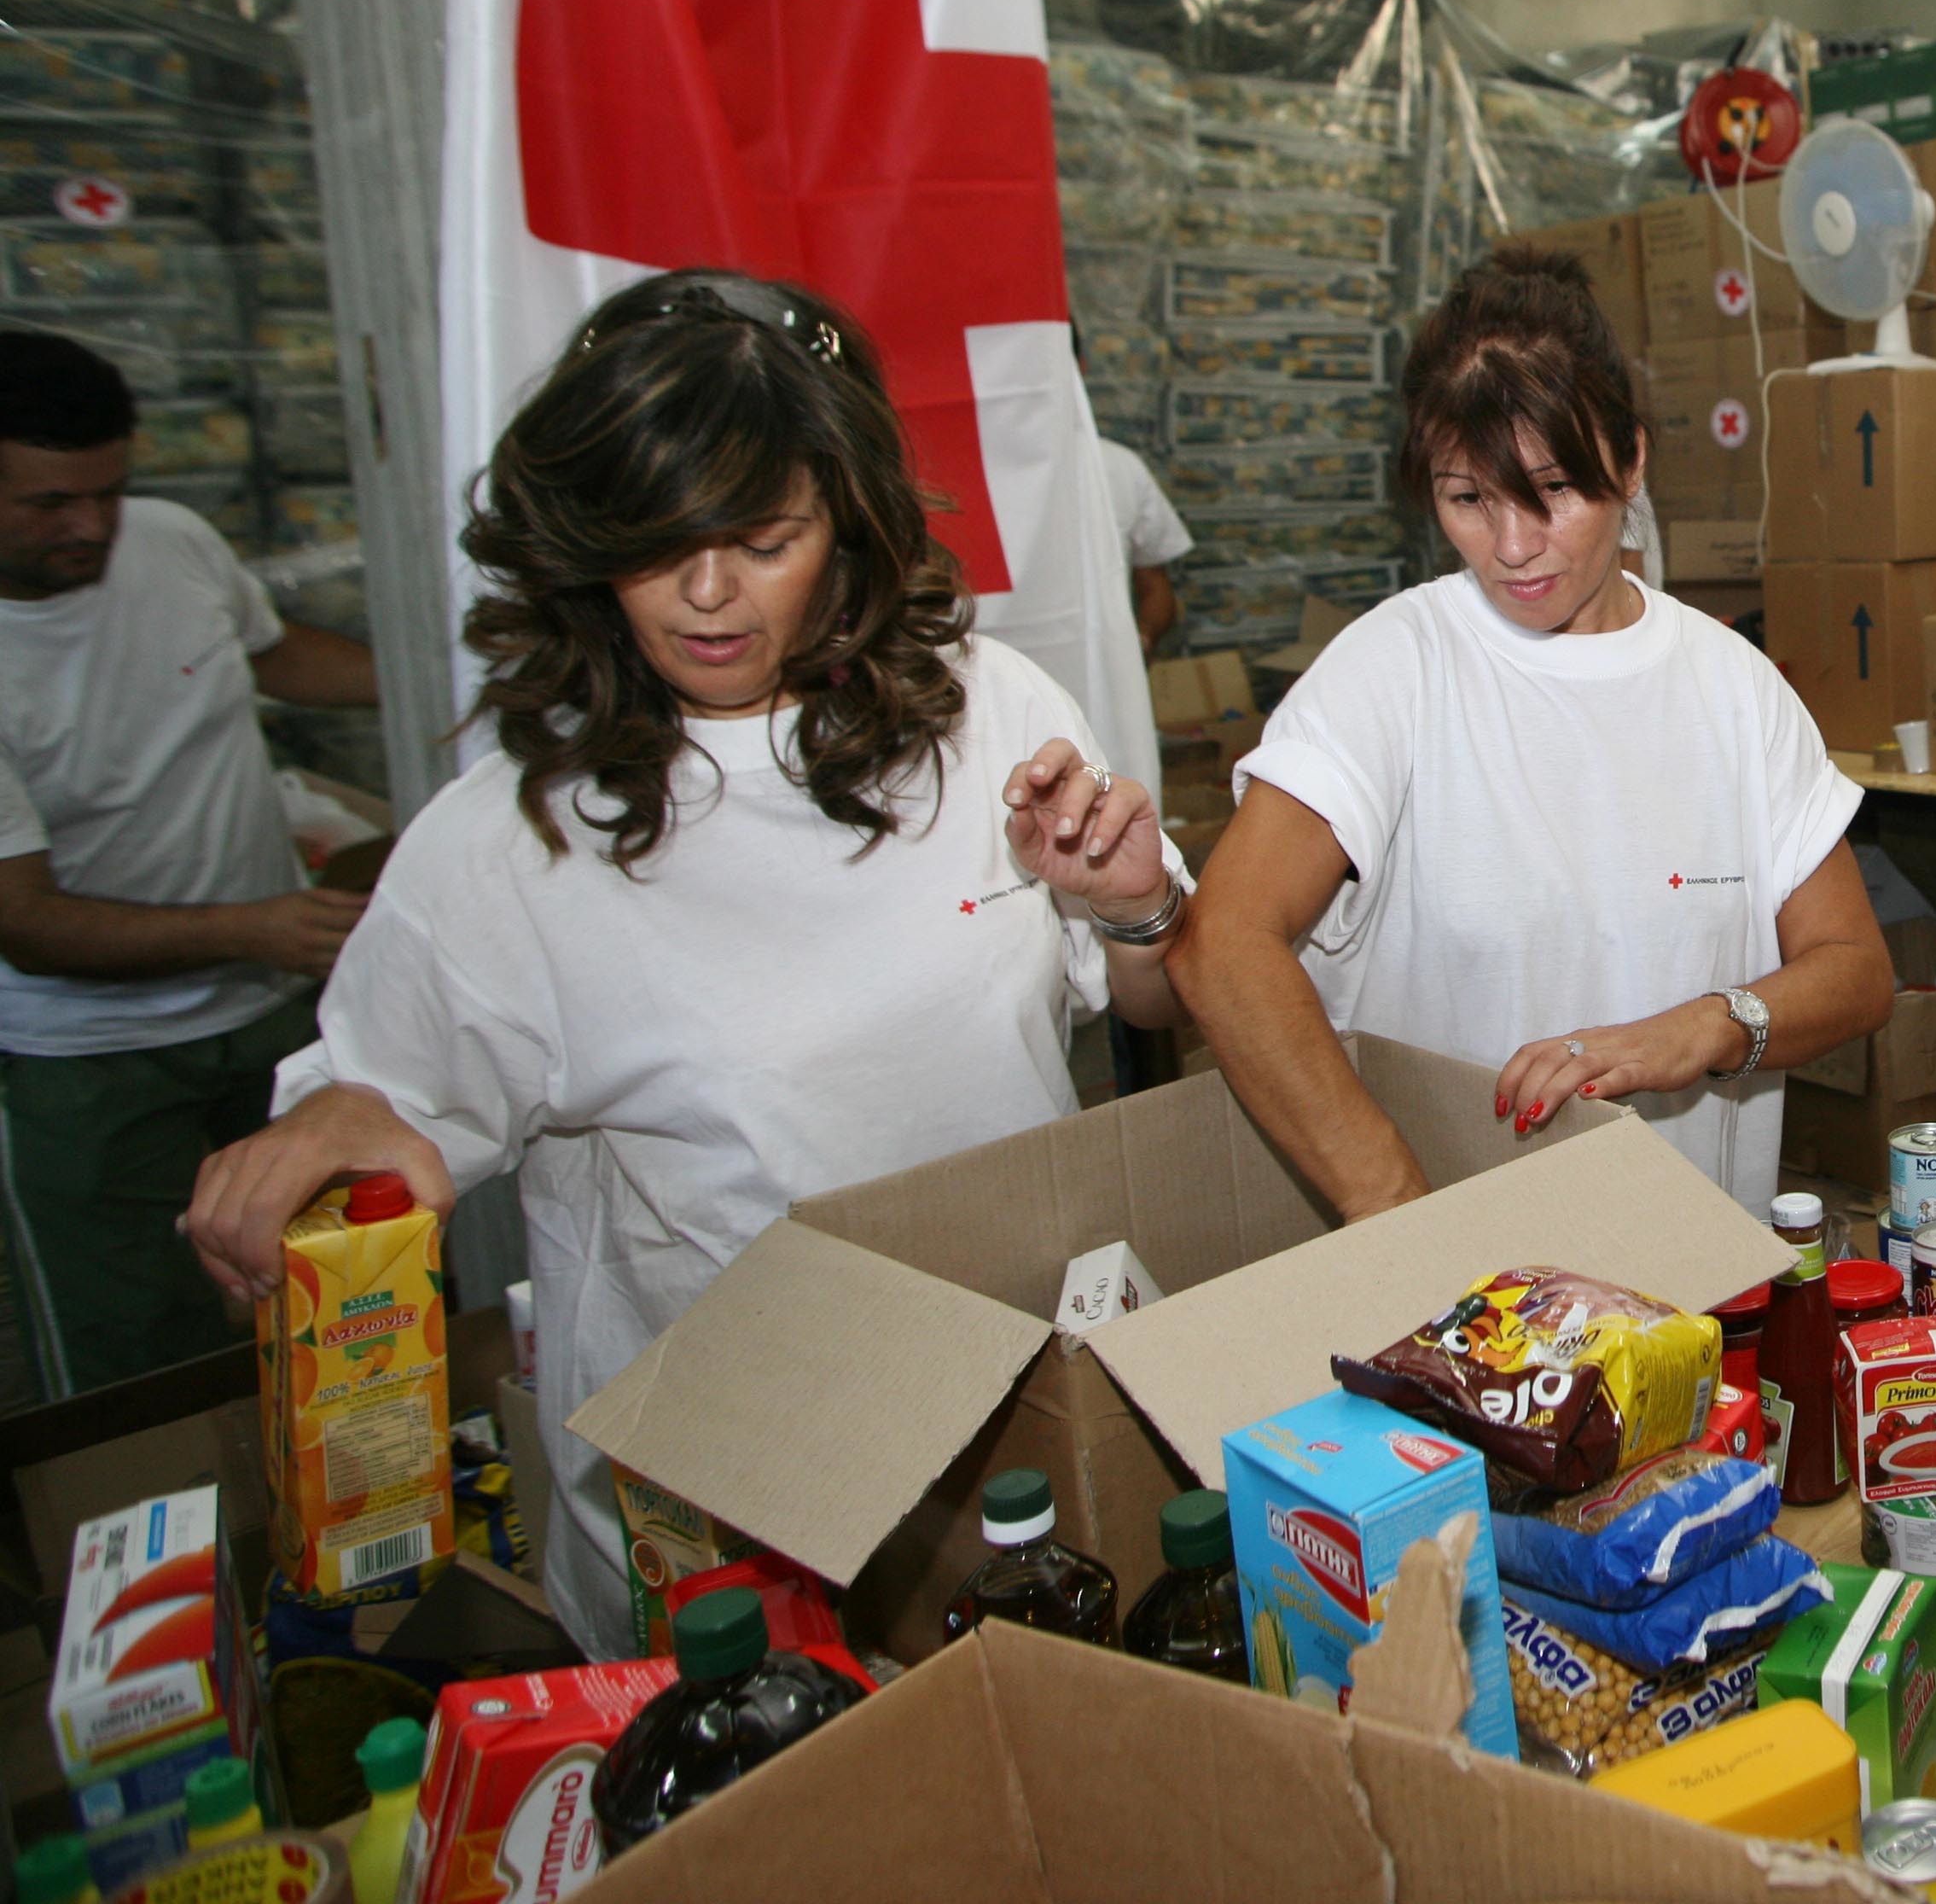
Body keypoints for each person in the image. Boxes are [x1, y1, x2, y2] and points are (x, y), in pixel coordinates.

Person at [178, 271, 1188, 1660]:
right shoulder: (513, 842)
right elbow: (378, 1132)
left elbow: (1148, 998)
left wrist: (1133, 909)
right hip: (729, 1510)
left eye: (762, 538)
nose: (708, 595)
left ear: (844, 526)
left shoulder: (990, 712)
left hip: (1012, 1432)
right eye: (657, 546)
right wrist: (339, 1125)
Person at [1166, 247, 1889, 1219]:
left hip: (1694, 1282)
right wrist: (1397, 1204)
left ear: (1629, 461)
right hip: (1470, 1301)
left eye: (1551, 490)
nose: (1512, 547)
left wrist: (1709, 1026)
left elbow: (1854, 970)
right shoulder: (1395, 669)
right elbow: (1222, 943)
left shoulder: (1732, 689)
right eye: (1468, 499)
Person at [0, 329, 381, 1400]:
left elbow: (278, 655)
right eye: (47, 504)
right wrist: (254, 926)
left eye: (109, 490)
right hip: (95, 1071)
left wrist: (441, 683)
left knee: (347, 1317)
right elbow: (22, 917)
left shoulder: (168, 540)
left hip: (268, 1027)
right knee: (137, 1370)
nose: (90, 525)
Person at [1097, 436, 1190, 654]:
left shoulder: (1119, 466)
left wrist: (1143, 640)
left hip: (1104, 661)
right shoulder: (1001, 470)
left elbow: (1154, 585)